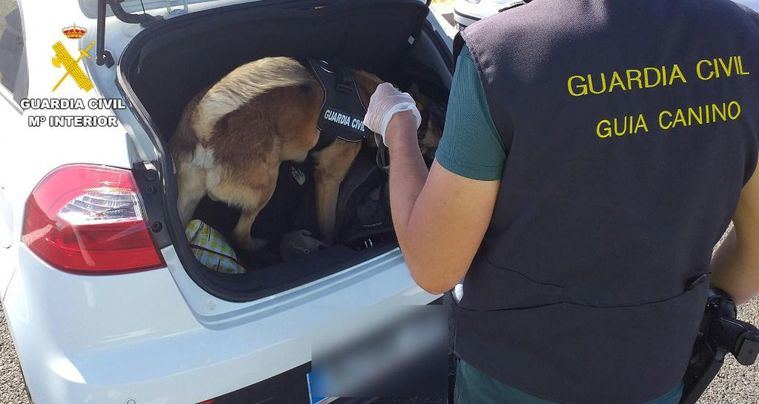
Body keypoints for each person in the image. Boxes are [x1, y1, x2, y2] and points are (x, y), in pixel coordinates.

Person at [362, 0, 759, 402]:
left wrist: (399, 127)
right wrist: (683, 308)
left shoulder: (504, 52)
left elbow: (434, 267)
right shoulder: (745, 39)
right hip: (655, 376)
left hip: (513, 383)